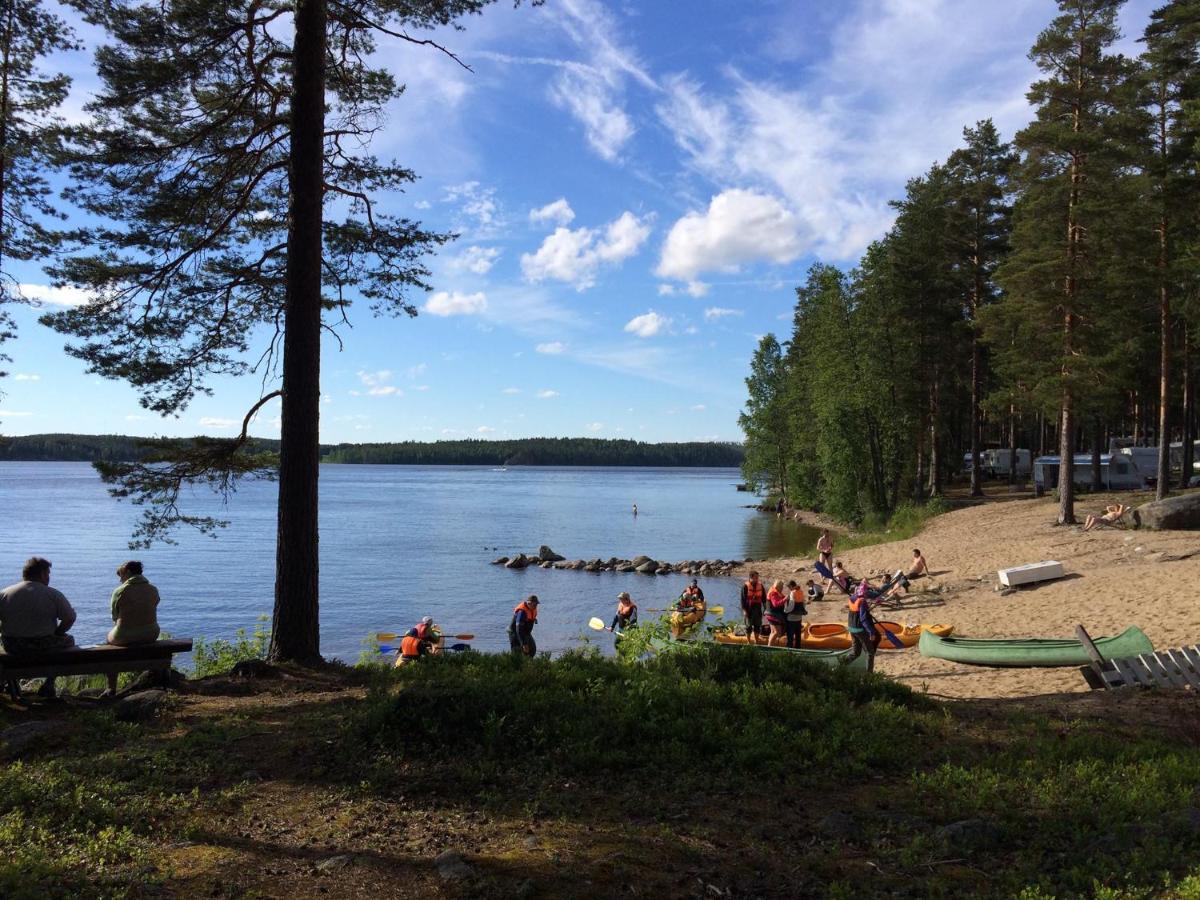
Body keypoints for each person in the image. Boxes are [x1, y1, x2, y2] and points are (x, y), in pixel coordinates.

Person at [0, 557, 76, 698]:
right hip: (42, 645)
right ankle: (49, 683)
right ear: (42, 574)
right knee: (69, 640)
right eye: (48, 574)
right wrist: (58, 632)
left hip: (12, 646)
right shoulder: (53, 594)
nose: (48, 578)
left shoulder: (5, 593)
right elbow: (70, 618)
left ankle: (11, 684)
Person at [108, 561, 161, 647]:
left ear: (128, 572)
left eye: (121, 575)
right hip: (152, 634)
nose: (120, 580)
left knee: (109, 637)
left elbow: (115, 617)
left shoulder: (119, 591)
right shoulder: (153, 589)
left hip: (124, 637)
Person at [842, 577, 880, 673]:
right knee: (870, 652)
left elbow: (859, 609)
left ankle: (840, 665)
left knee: (856, 652)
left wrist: (875, 602)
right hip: (859, 629)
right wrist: (871, 632)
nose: (867, 595)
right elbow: (863, 619)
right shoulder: (862, 602)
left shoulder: (852, 598)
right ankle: (869, 675)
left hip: (851, 628)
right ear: (864, 593)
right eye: (866, 593)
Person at [740, 570, 765, 645]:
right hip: (749, 610)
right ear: (751, 578)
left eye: (757, 578)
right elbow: (742, 600)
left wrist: (765, 609)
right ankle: (748, 641)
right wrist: (744, 610)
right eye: (755, 578)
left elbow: (764, 598)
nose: (757, 579)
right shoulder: (745, 586)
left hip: (758, 609)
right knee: (748, 627)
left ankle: (756, 641)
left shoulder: (760, 585)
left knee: (757, 626)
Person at [784, 579, 806, 649]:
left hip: (791, 618)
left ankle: (789, 650)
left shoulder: (792, 593)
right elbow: (804, 604)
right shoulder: (801, 592)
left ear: (791, 586)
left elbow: (791, 605)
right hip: (799, 618)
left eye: (789, 587)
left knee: (790, 635)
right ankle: (798, 648)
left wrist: (785, 611)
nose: (789, 589)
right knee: (798, 635)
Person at [765, 579, 787, 647]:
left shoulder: (777, 591)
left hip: (773, 614)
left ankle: (772, 645)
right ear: (779, 586)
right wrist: (785, 599)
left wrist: (787, 597)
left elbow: (782, 597)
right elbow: (775, 604)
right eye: (782, 587)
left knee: (773, 632)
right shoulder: (773, 593)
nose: (782, 588)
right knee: (777, 632)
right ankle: (769, 646)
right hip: (772, 615)